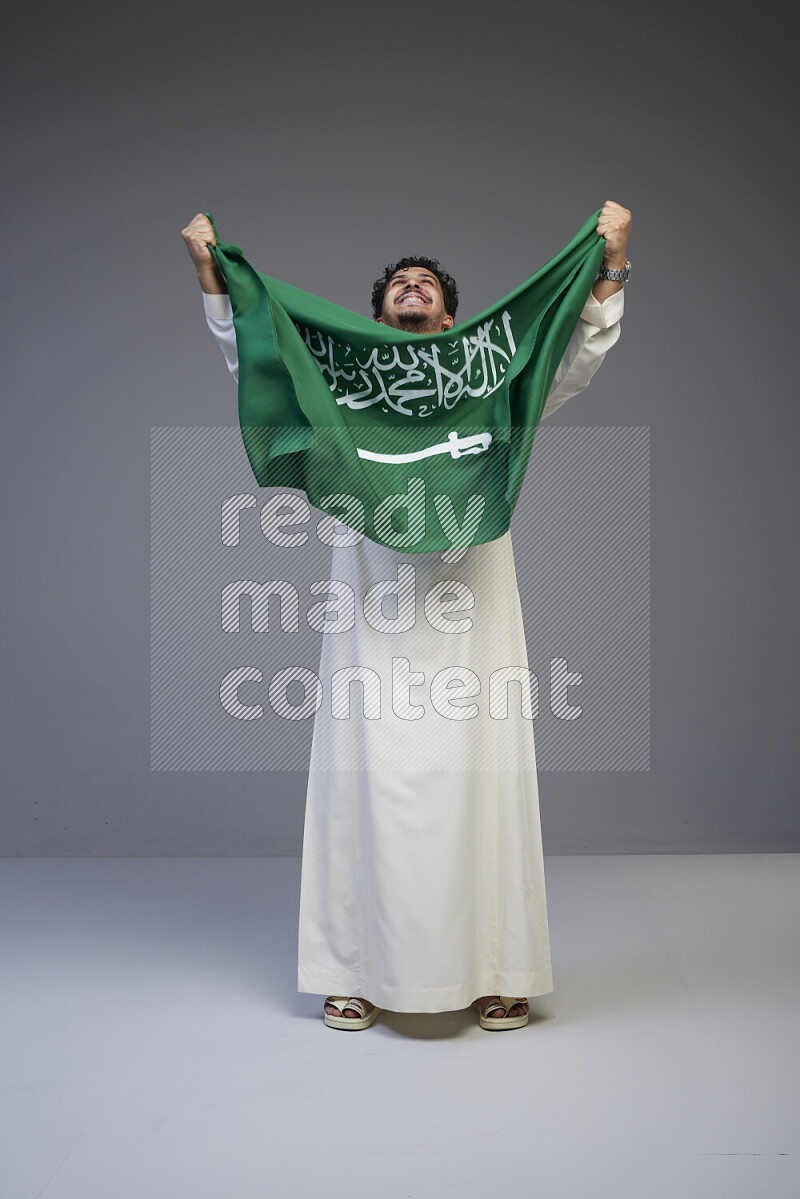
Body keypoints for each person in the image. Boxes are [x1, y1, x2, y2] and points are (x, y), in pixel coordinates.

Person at [181, 201, 631, 1030]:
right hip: (373, 604)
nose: (412, 289)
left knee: (485, 781)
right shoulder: (343, 391)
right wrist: (216, 280)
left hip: (475, 607)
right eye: (398, 286)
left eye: (426, 285)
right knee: (365, 781)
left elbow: (565, 361)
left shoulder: (493, 384)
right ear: (376, 317)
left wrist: (606, 271)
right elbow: (263, 358)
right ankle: (354, 971)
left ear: (455, 320)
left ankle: (501, 969)